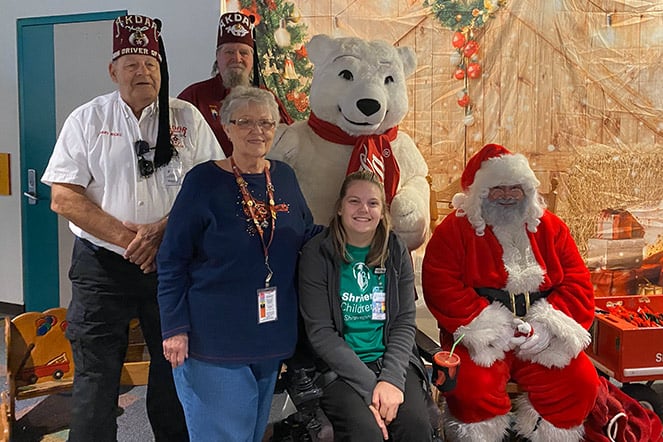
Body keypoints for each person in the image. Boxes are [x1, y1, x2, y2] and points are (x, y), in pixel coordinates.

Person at [41, 14, 223, 442]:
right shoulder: (87, 119)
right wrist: (132, 240)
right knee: (96, 376)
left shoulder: (188, 119)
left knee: (174, 369)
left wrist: (162, 233)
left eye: (152, 64)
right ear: (113, 71)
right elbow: (63, 197)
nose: (143, 71)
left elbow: (211, 187)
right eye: (132, 64)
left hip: (172, 264)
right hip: (102, 268)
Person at [157, 86, 319, 441]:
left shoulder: (284, 177)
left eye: (265, 122)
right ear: (226, 127)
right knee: (223, 435)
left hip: (270, 335)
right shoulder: (203, 182)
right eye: (244, 121)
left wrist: (361, 233)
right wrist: (174, 327)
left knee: (251, 432)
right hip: (213, 337)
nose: (256, 131)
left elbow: (307, 234)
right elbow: (172, 259)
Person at [422, 144, 599, 442]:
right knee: (471, 387)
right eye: (497, 188)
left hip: (541, 333)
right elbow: (441, 284)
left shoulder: (552, 229)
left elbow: (578, 283)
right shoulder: (454, 230)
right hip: (481, 333)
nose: (506, 195)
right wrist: (493, 328)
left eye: (514, 188)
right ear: (480, 193)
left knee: (581, 382)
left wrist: (544, 329)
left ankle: (544, 435)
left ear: (527, 191)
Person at [298, 170, 434, 442]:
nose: (364, 209)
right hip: (340, 369)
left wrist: (391, 380)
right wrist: (375, 388)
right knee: (366, 433)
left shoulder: (395, 250)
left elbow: (404, 322)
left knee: (416, 426)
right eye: (354, 202)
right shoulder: (317, 253)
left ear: (383, 211)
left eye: (373, 203)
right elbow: (321, 333)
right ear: (339, 208)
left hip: (391, 361)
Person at [178, 11, 293, 156]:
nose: (237, 58)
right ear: (217, 56)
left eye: (244, 53)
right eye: (229, 52)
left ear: (252, 58)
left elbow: (287, 142)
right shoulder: (193, 97)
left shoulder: (267, 98)